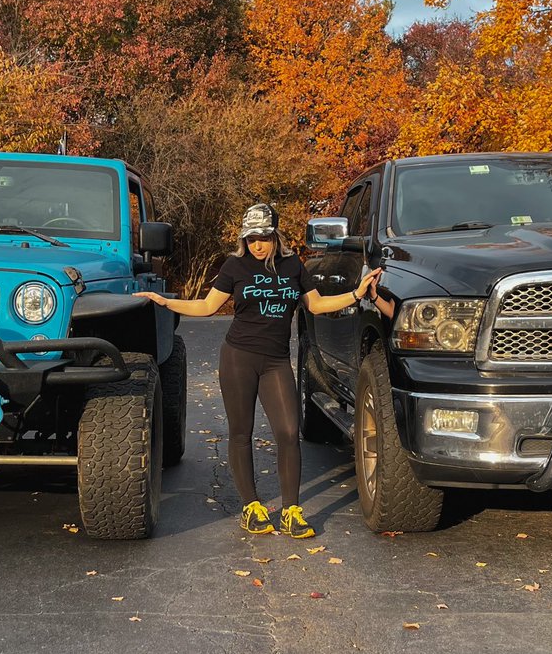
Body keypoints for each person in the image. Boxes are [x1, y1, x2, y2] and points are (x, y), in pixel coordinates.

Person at [135, 203, 380, 539]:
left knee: (288, 432)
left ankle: (292, 511)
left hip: (276, 361)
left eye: (263, 237)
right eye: (251, 238)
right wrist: (166, 301)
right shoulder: (235, 266)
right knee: (241, 432)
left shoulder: (294, 265)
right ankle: (251, 507)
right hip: (238, 358)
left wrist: (356, 293)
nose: (257, 244)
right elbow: (207, 306)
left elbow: (317, 304)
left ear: (275, 235)